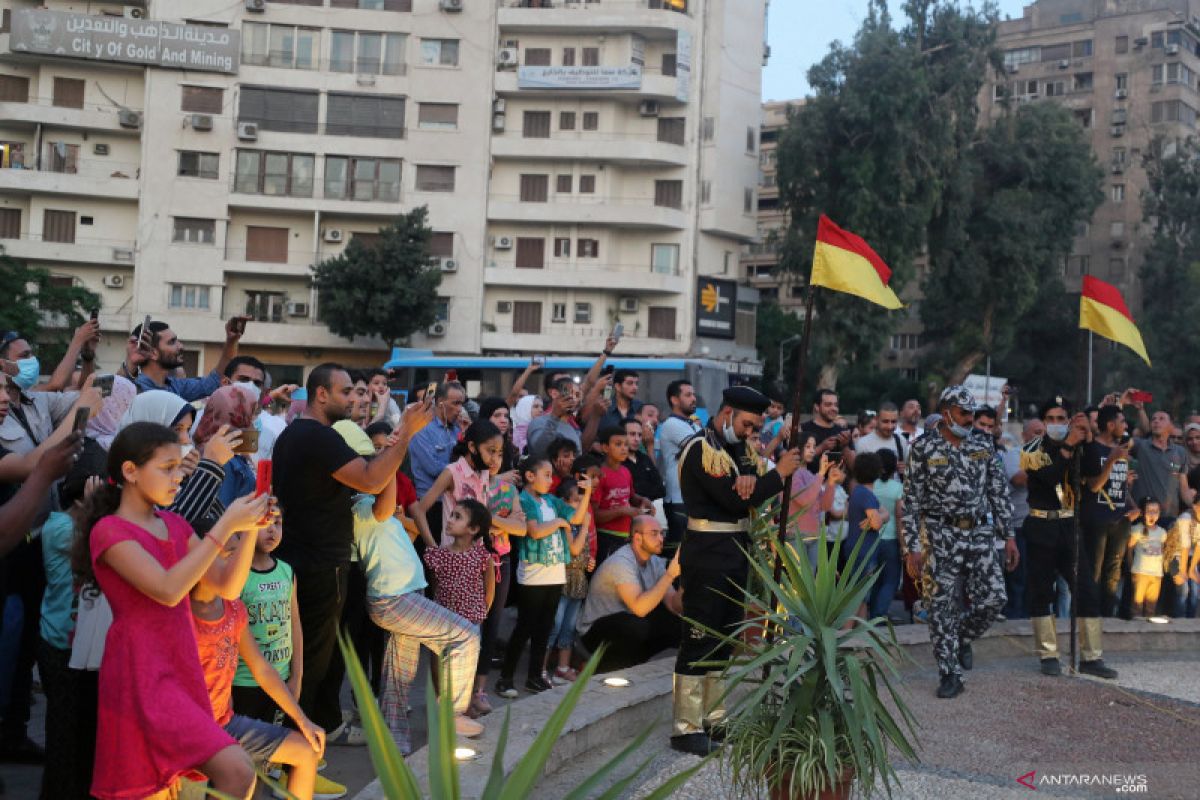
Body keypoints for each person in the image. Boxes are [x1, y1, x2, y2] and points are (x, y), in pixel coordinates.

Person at [76, 421, 273, 799]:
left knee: (205, 777)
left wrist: (249, 529)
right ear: (130, 472)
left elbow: (228, 586)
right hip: (141, 672)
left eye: (178, 467)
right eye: (167, 468)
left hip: (180, 665)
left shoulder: (176, 524)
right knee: (179, 781)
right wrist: (226, 523)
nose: (177, 478)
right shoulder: (110, 530)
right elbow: (167, 590)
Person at [272, 363, 432, 742]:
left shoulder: (299, 434)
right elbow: (372, 478)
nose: (354, 399)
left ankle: (313, 738)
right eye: (346, 392)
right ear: (321, 394)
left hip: (304, 559)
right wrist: (405, 434)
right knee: (311, 661)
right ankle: (298, 754)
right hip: (319, 564)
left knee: (314, 659)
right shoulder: (317, 437)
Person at [671, 386, 802, 756]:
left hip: (735, 551)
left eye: (756, 426)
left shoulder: (740, 450)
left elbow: (750, 488)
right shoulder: (700, 449)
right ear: (727, 412)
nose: (750, 432)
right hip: (706, 552)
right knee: (699, 635)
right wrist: (774, 478)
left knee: (725, 638)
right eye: (747, 423)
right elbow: (732, 497)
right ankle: (685, 726)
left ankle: (715, 717)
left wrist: (755, 484)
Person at [351, 435, 481, 755]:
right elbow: (386, 489)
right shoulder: (361, 506)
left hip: (403, 595)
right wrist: (395, 448)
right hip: (395, 599)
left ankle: (394, 743)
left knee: (399, 674)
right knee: (466, 635)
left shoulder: (373, 506)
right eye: (370, 459)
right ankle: (453, 713)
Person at [189, 527, 330, 800]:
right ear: (199, 559)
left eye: (236, 555)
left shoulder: (233, 608)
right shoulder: (177, 613)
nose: (235, 565)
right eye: (228, 554)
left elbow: (262, 668)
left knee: (306, 750)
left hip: (225, 724)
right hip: (188, 731)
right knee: (241, 774)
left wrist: (303, 720)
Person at [903, 385, 1014, 700]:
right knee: (940, 607)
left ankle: (960, 638)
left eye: (972, 414)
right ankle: (949, 673)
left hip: (979, 534)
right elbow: (911, 501)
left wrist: (1009, 536)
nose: (970, 419)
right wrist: (912, 547)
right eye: (964, 413)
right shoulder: (923, 448)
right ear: (947, 411)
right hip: (940, 535)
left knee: (995, 598)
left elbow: (998, 490)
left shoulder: (983, 444)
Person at [1022, 397, 1116, 680]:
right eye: (1051, 418)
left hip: (1069, 525)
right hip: (1041, 525)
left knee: (1086, 587)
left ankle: (1091, 656)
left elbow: (1092, 475)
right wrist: (1067, 445)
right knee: (1042, 591)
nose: (1057, 424)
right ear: (1043, 422)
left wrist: (1087, 437)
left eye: (1062, 418)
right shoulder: (1032, 450)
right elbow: (1049, 478)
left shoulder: (1077, 448)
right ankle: (1048, 654)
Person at [497, 456, 592, 697]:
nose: (551, 480)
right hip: (533, 576)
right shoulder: (525, 500)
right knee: (525, 627)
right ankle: (505, 678)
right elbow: (535, 531)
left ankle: (534, 676)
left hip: (555, 573)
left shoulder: (552, 500)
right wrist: (559, 522)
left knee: (544, 628)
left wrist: (587, 494)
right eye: (547, 475)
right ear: (530, 476)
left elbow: (576, 518)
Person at [577, 515, 681, 671]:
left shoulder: (654, 561)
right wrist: (669, 575)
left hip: (625, 625)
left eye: (661, 533)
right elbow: (639, 608)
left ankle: (632, 663)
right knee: (637, 625)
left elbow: (675, 606)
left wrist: (688, 575)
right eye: (654, 533)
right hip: (594, 631)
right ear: (638, 538)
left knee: (676, 625)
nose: (661, 538)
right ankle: (600, 667)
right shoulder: (621, 562)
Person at [1082, 406, 1136, 617]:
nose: (1125, 426)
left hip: (1120, 519)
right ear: (1110, 424)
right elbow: (1094, 485)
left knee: (1114, 572)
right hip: (1097, 518)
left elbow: (1119, 484)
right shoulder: (1093, 448)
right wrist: (1112, 460)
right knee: (1094, 571)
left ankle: (1107, 617)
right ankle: (1090, 618)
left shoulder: (1122, 448)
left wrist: (1131, 505)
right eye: (1122, 421)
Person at [544, 478, 595, 684]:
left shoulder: (580, 525)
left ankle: (562, 668)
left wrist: (588, 561)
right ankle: (540, 668)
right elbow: (573, 549)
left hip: (578, 581)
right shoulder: (565, 525)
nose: (581, 507)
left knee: (569, 627)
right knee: (554, 626)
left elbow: (583, 551)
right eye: (576, 501)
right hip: (562, 581)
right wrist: (584, 527)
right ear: (563, 503)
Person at [129, 317, 248, 401]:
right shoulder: (132, 390)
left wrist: (232, 340)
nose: (181, 346)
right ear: (153, 353)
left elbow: (214, 381)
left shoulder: (176, 387)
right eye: (172, 342)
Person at [423, 498, 496, 632]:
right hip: (443, 621)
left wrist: (478, 617)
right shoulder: (440, 554)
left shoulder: (483, 556)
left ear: (473, 529)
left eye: (457, 517)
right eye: (451, 515)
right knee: (439, 653)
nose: (450, 520)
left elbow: (489, 593)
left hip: (470, 624)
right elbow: (436, 587)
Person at [408, 381, 468, 537]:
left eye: (461, 403)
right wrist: (462, 469)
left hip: (455, 502)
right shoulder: (422, 428)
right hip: (431, 505)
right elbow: (433, 468)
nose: (459, 409)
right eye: (455, 403)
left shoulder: (457, 428)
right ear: (440, 403)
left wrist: (467, 435)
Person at [999, 419, 1044, 620]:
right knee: (1018, 575)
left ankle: (1030, 617)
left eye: (1043, 432)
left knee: (1037, 576)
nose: (1041, 436)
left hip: (1042, 525)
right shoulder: (1013, 455)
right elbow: (1018, 479)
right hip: (1018, 525)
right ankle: (1014, 618)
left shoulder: (1047, 457)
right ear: (1024, 436)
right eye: (1036, 432)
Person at [593, 425, 654, 564]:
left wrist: (644, 501)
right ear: (605, 448)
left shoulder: (626, 471)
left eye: (626, 444)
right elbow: (594, 515)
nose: (624, 448)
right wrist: (622, 511)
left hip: (626, 535)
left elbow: (631, 497)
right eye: (618, 444)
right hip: (606, 537)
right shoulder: (599, 474)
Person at [658, 380, 702, 556]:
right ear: (674, 400)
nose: (694, 398)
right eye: (688, 395)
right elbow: (702, 449)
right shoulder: (672, 424)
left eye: (693, 394)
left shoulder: (691, 424)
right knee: (678, 554)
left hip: (688, 498)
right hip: (678, 499)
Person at [785, 434, 841, 568]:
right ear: (797, 448)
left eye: (814, 447)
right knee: (798, 583)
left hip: (815, 535)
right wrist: (821, 474)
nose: (812, 450)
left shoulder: (810, 475)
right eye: (807, 446)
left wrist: (831, 483)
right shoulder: (790, 473)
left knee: (810, 583)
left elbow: (825, 506)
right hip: (795, 536)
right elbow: (804, 501)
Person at [871, 448, 904, 620]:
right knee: (890, 581)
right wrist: (903, 544)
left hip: (872, 538)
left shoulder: (871, 486)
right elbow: (900, 517)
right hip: (891, 540)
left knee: (874, 579)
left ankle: (872, 614)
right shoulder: (898, 489)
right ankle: (879, 614)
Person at [1127, 499, 1167, 619]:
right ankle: (1135, 630)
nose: (1152, 514)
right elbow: (1129, 548)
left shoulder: (1162, 532)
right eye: (1149, 511)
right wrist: (1130, 566)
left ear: (1159, 514)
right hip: (1140, 572)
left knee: (1151, 606)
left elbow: (1164, 550)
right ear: (1143, 513)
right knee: (1137, 605)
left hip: (1156, 574)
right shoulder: (1138, 529)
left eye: (1155, 511)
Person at [526, 376, 582, 460]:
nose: (574, 399)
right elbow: (539, 451)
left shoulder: (573, 428)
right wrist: (555, 416)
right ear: (554, 394)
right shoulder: (539, 422)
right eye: (570, 393)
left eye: (577, 395)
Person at [801, 388, 853, 472]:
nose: (834, 408)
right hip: (809, 482)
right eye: (828, 405)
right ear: (817, 407)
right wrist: (822, 447)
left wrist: (845, 446)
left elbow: (854, 467)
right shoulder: (803, 429)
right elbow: (798, 461)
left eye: (836, 405)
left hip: (836, 483)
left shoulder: (843, 432)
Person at [623, 417, 665, 505]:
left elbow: (660, 489)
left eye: (639, 435)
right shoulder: (617, 462)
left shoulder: (645, 458)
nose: (637, 439)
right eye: (632, 434)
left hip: (651, 510)